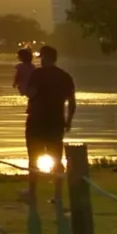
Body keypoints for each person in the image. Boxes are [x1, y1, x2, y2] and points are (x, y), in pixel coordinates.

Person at [25, 44, 75, 205]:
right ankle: (58, 194)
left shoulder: (37, 74)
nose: (40, 62)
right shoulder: (65, 76)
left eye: (41, 58)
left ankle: (32, 193)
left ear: (46, 57)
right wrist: (68, 121)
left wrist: (24, 86)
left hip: (37, 122)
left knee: (33, 158)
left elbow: (30, 93)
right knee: (57, 158)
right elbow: (72, 102)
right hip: (56, 122)